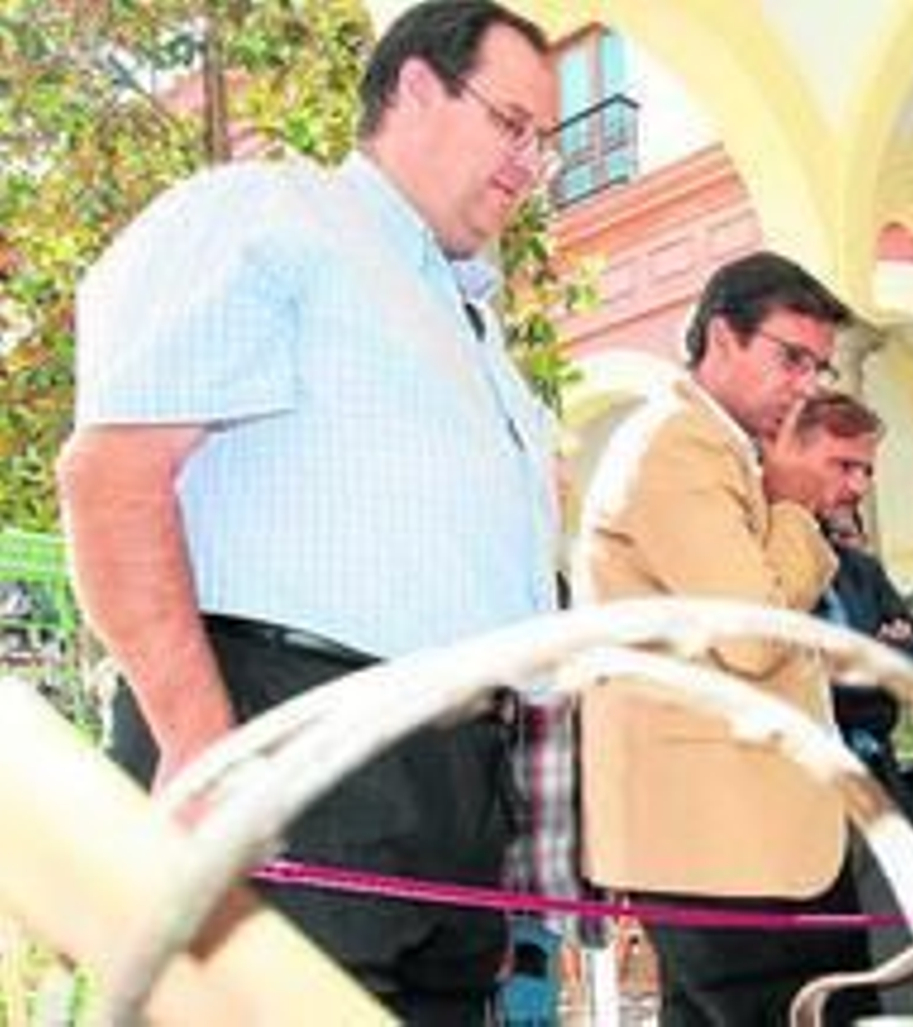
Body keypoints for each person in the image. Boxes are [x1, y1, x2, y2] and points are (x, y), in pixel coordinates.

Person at [56, 2, 562, 1019]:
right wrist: (205, 746)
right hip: (288, 742)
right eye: (511, 124)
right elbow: (111, 475)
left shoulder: (475, 327)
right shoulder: (269, 214)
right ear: (414, 86)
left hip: (458, 779)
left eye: (543, 144)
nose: (530, 165)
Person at [575, 250, 875, 1025]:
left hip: (743, 834)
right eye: (791, 358)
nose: (807, 385)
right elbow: (754, 637)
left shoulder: (721, 447)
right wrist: (795, 507)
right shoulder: (676, 442)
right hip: (718, 839)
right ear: (721, 337)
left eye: (818, 366)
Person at [793, 391, 913, 808]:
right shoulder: (762, 554)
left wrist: (857, 661)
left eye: (867, 471)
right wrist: (880, 657)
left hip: (876, 782)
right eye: (845, 466)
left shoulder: (861, 570)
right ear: (793, 454)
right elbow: (797, 681)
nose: (860, 486)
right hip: (798, 787)